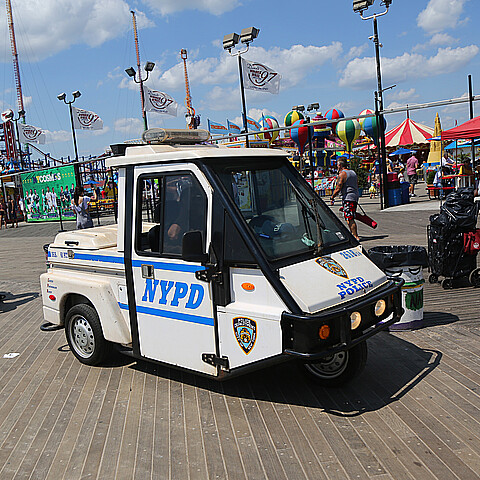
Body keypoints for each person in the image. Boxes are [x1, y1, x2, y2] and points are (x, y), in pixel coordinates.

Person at [331, 158, 360, 241]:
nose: (336, 166)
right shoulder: (353, 172)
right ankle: (353, 234)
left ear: (340, 165)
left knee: (349, 217)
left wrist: (332, 196)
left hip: (348, 197)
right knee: (350, 216)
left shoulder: (342, 174)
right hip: (354, 196)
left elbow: (338, 187)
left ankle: (355, 236)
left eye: (337, 164)